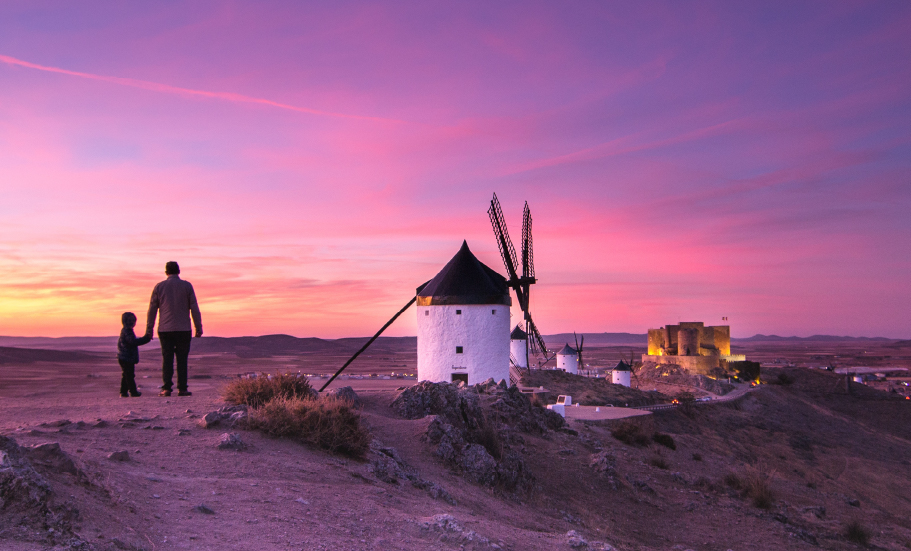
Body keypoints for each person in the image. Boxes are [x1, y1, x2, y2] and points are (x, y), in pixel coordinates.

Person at [145, 261, 203, 397]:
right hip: (184, 329)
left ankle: (166, 388)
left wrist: (149, 329)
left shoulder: (159, 287)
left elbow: (152, 309)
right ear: (179, 271)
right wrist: (198, 327)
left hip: (165, 329)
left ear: (166, 272)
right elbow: (194, 307)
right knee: (182, 359)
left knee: (167, 359)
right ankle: (182, 388)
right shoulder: (187, 286)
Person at [117, 312, 151, 397]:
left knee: (126, 375)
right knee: (129, 375)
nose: (132, 323)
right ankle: (133, 391)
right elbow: (133, 342)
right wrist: (146, 339)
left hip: (125, 357)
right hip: (126, 358)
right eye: (131, 321)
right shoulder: (127, 332)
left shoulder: (126, 331)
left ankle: (123, 392)